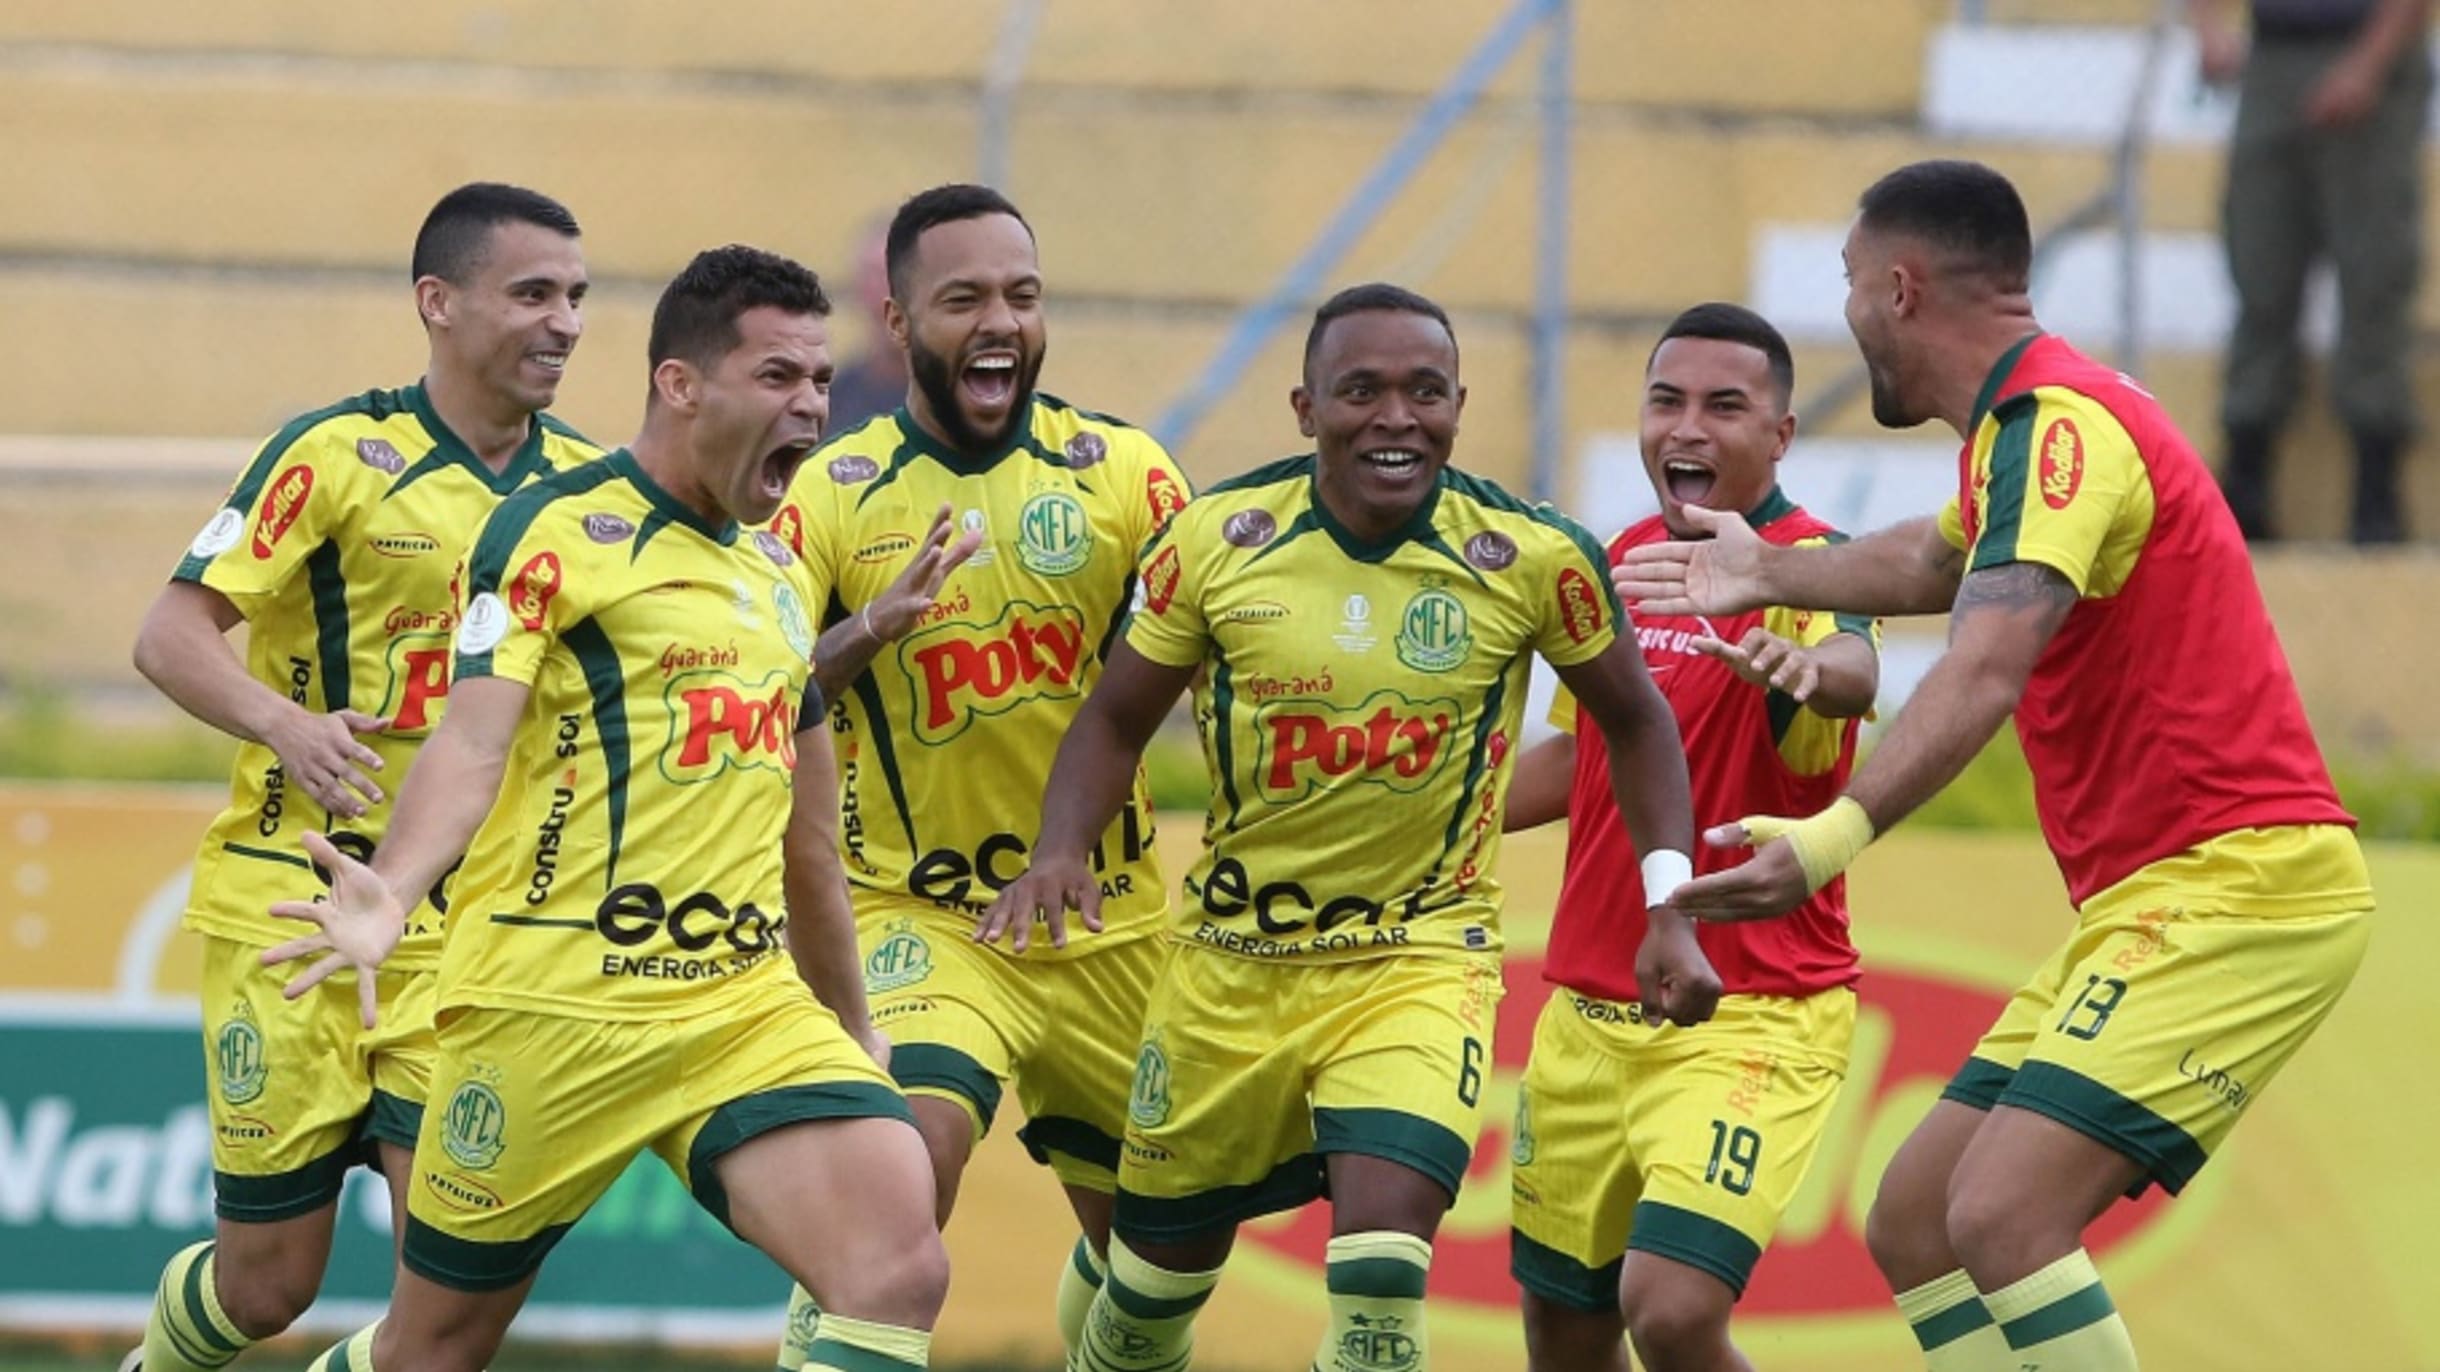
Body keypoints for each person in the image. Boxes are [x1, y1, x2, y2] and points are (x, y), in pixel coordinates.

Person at [1620, 159, 2372, 1372]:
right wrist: (1765, 567)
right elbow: (1932, 560)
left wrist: (1828, 838)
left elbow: (1980, 666)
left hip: (2242, 888)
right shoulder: (2026, 430)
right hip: (2158, 897)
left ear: (1902, 291)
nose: (1850, 310)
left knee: (2002, 1215)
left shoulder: (2058, 430)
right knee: (1917, 1220)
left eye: (1853, 283)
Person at [987, 282, 1714, 1372]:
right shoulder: (1216, 542)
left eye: (1425, 392)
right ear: (1304, 407)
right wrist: (1057, 852)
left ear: (1459, 405)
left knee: (1379, 1273)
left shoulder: (1530, 555)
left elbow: (1637, 722)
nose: (1396, 417)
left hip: (1416, 962)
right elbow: (1115, 716)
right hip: (1229, 973)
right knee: (1141, 1310)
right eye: (1361, 390)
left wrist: (1670, 903)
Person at [264, 245, 949, 1372]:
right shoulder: (552, 530)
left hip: (737, 1005)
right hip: (550, 1007)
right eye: (780, 377)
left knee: (898, 1266)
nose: (813, 408)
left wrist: (856, 1025)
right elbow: (473, 740)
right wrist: (392, 890)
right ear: (683, 384)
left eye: (821, 381)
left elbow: (807, 841)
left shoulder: (781, 569)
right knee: (428, 1350)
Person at [124, 182, 602, 1372]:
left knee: (440, 1311)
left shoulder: (592, 495)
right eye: (532, 293)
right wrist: (284, 723)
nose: (565, 324)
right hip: (287, 909)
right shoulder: (336, 455)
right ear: (438, 303)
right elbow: (170, 635)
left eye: (579, 297)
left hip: (465, 932)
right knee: (266, 1286)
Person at [769, 182, 1189, 1371]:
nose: (998, 321)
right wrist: (863, 634)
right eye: (963, 300)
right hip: (918, 912)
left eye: (1021, 295)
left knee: (1155, 1285)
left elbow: (1218, 664)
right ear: (899, 325)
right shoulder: (830, 494)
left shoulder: (1128, 477)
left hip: (1109, 926)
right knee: (899, 1174)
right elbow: (742, 691)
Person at [1504, 302, 1879, 1372]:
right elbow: (1581, 759)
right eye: (1666, 400)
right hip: (1586, 1012)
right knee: (1565, 1335)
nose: (1688, 428)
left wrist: (1808, 671)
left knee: (1668, 1310)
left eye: (1725, 405)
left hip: (1749, 1013)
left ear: (1781, 434)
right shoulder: (1621, 555)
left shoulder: (1807, 565)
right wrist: (1424, 814)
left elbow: (1850, 671)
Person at [2191, 0, 2432, 543]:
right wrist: (2208, 30)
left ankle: (2376, 489)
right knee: (2260, 265)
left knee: (2374, 273)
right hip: (2273, 51)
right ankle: (2248, 475)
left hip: (2365, 48)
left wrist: (2368, 63)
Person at [823, 215, 911, 433]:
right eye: (875, 274)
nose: (886, 291)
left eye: (897, 274)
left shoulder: (964, 401)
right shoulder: (832, 404)